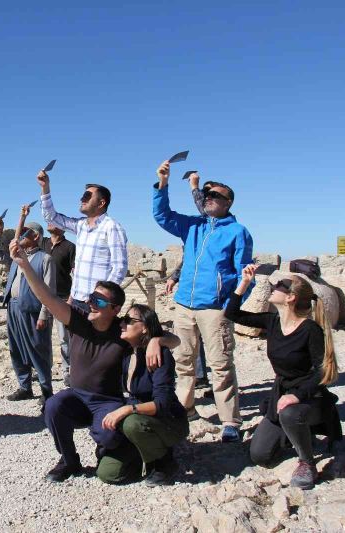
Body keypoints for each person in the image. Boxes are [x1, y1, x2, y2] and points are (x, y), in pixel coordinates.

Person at [7, 240, 179, 483]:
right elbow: (47, 297)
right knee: (54, 406)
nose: (91, 303)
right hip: (77, 396)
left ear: (114, 308)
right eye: (91, 298)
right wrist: (25, 266)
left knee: (109, 436)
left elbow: (174, 340)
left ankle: (126, 451)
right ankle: (69, 461)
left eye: (99, 301)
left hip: (107, 402)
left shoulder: (122, 331)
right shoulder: (78, 320)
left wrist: (157, 341)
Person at [153, 161, 254, 443]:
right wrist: (163, 184)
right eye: (206, 193)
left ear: (228, 202)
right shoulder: (193, 225)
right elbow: (162, 216)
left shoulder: (238, 232)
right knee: (183, 361)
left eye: (215, 195)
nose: (208, 197)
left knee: (221, 365)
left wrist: (230, 306)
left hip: (214, 309)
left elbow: (244, 273)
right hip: (185, 305)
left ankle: (230, 420)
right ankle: (185, 408)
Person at [225, 266, 342, 490]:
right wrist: (244, 283)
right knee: (260, 455)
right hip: (282, 393)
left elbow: (323, 371)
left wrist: (297, 396)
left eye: (280, 286)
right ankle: (296, 431)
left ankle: (307, 463)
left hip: (309, 396)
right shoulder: (272, 322)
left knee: (289, 413)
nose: (274, 287)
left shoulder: (310, 330)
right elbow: (232, 314)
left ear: (290, 297)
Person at [96, 304, 189, 486]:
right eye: (123, 320)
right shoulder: (126, 350)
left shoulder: (159, 355)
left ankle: (164, 462)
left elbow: (162, 404)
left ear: (144, 327)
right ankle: (142, 455)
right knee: (108, 473)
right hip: (138, 420)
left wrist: (157, 340)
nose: (123, 324)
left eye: (129, 321)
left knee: (131, 423)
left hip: (165, 420)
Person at [37, 169, 128, 313]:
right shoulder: (81, 226)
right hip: (77, 301)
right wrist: (45, 188)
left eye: (87, 196)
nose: (82, 199)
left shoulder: (111, 227)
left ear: (101, 203)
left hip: (97, 304)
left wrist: (102, 299)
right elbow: (51, 217)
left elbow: (119, 267)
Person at [0, 205, 57, 405]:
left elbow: (49, 290)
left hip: (33, 310)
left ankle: (46, 390)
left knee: (37, 349)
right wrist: (21, 218)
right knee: (16, 348)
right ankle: (24, 387)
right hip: (14, 307)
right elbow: (15, 240)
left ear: (36, 237)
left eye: (26, 233)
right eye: (22, 233)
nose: (21, 236)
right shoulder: (17, 256)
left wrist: (44, 315)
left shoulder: (45, 259)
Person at [167, 263, 210, 393]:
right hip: (188, 297)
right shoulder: (191, 244)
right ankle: (199, 376)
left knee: (219, 359)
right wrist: (175, 277)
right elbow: (188, 259)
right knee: (189, 340)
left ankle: (200, 376)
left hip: (210, 297)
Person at [42, 224, 76, 386]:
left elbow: (75, 273)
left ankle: (67, 372)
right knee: (43, 337)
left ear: (62, 229)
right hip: (42, 299)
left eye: (55, 221)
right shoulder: (43, 243)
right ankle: (43, 370)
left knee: (64, 338)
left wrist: (72, 296)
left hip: (62, 298)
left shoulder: (70, 247)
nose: (50, 222)